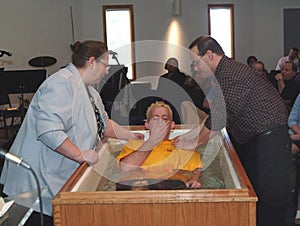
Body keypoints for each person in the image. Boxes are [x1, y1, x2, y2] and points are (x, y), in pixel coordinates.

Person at [0, 40, 143, 225]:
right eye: (105, 65)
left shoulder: (90, 91)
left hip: (58, 177)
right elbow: (48, 130)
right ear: (92, 62)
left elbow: (104, 123)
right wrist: (80, 155)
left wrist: (131, 135)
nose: (107, 71)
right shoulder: (60, 84)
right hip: (36, 182)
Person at [173, 36, 297, 226]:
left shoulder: (230, 74)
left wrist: (191, 144)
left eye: (196, 62)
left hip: (269, 142)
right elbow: (214, 115)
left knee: (270, 203)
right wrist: (188, 137)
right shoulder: (226, 72)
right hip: (259, 141)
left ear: (209, 55)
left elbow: (218, 120)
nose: (195, 67)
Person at [117, 101, 203, 188]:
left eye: (165, 119)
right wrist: (152, 141)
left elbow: (196, 174)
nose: (160, 122)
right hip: (140, 189)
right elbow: (125, 168)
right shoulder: (134, 144)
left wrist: (195, 180)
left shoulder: (183, 147)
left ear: (172, 125)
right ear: (147, 124)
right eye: (155, 119)